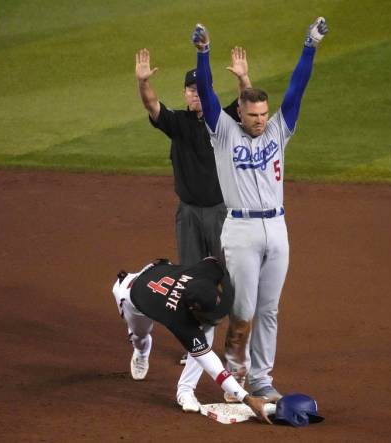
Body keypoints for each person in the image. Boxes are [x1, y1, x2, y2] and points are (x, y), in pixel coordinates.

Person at [190, 17, 329, 402]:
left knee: (270, 311)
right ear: (240, 112)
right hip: (242, 231)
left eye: (264, 114)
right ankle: (235, 377)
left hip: (278, 229)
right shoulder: (223, 132)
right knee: (244, 311)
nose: (260, 121)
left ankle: (262, 379)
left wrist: (309, 47)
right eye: (253, 116)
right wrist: (204, 54)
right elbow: (206, 92)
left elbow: (297, 88)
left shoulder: (278, 131)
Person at [136, 47, 252, 368]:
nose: (196, 94)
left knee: (229, 276)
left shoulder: (223, 120)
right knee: (188, 278)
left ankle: (235, 343)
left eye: (202, 90)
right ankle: (195, 344)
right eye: (191, 89)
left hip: (220, 212)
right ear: (186, 94)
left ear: (209, 93)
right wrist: (143, 82)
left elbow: (247, 104)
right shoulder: (178, 123)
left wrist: (243, 77)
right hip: (188, 214)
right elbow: (151, 104)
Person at [111, 257, 272, 424]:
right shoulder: (176, 318)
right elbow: (210, 364)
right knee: (140, 335)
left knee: (205, 330)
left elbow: (213, 261)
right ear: (190, 309)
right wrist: (246, 398)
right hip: (130, 296)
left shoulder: (209, 270)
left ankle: (185, 391)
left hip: (158, 270)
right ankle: (142, 351)